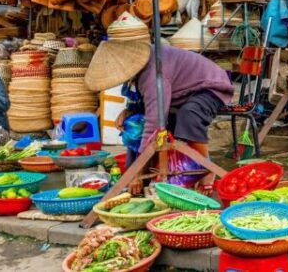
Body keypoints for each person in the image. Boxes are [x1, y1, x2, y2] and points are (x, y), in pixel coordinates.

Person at [85, 12, 234, 189]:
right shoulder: (138, 70)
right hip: (181, 93)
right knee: (135, 125)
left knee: (189, 115)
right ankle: (140, 176)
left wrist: (139, 173)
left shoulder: (153, 73)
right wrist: (129, 111)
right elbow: (139, 99)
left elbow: (154, 122)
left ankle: (206, 169)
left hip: (210, 87)